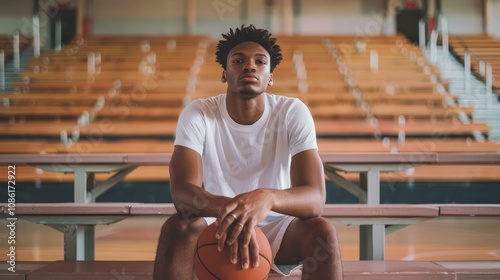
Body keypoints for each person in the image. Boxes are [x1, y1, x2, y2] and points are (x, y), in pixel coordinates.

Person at [153, 24, 343, 280]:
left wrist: (267, 199)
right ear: (224, 74)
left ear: (270, 76)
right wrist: (236, 212)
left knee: (323, 233)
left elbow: (315, 198)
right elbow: (182, 193)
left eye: (260, 61)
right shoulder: (198, 113)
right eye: (238, 60)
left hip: (278, 227)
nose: (249, 66)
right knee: (177, 227)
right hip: (217, 223)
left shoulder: (292, 112)